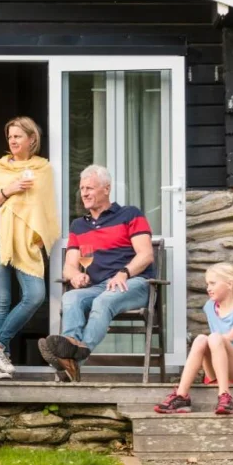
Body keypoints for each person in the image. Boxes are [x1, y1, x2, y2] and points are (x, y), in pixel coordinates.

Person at [38, 164, 154, 382]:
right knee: (71, 297)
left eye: (89, 188)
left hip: (134, 283)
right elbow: (69, 266)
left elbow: (146, 255)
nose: (84, 193)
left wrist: (124, 273)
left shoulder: (130, 214)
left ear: (106, 189)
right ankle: (70, 350)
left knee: (103, 301)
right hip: (99, 286)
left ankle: (70, 360)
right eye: (82, 189)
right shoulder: (78, 226)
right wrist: (75, 275)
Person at [0, 116, 59, 380]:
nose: (12, 141)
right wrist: (8, 190)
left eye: (18, 136)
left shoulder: (43, 169)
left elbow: (46, 208)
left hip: (25, 241)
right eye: (10, 136)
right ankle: (3, 362)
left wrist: (41, 233)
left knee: (35, 295)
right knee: (0, 301)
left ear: (31, 139)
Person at [155, 263, 233, 415]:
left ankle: (225, 395)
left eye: (213, 283)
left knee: (214, 337)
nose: (208, 288)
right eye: (207, 284)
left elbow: (231, 337)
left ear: (229, 284)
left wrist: (214, 340)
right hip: (216, 368)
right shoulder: (209, 306)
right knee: (200, 339)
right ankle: (181, 396)